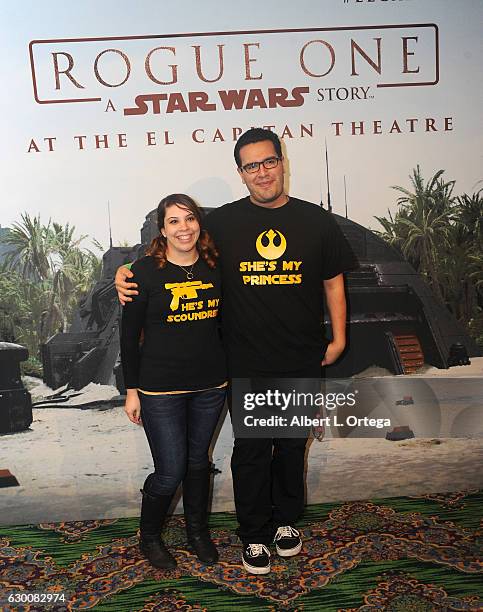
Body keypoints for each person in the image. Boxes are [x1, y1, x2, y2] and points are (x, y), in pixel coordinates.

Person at [117, 129, 355, 575]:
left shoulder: (317, 221)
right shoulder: (222, 223)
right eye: (251, 166)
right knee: (251, 449)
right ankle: (254, 534)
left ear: (281, 162)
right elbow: (169, 252)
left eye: (269, 162)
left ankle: (286, 521)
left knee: (290, 446)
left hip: (301, 356)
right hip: (243, 359)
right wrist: (124, 272)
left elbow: (333, 281)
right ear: (241, 173)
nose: (262, 173)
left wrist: (338, 338)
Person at [120, 193, 226, 570]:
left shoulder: (216, 266)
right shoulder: (143, 272)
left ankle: (197, 532)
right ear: (162, 230)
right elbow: (128, 336)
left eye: (190, 219)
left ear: (199, 223)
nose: (185, 228)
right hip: (159, 389)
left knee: (199, 462)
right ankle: (149, 537)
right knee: (170, 470)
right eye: (175, 221)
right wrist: (131, 391)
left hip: (211, 387)